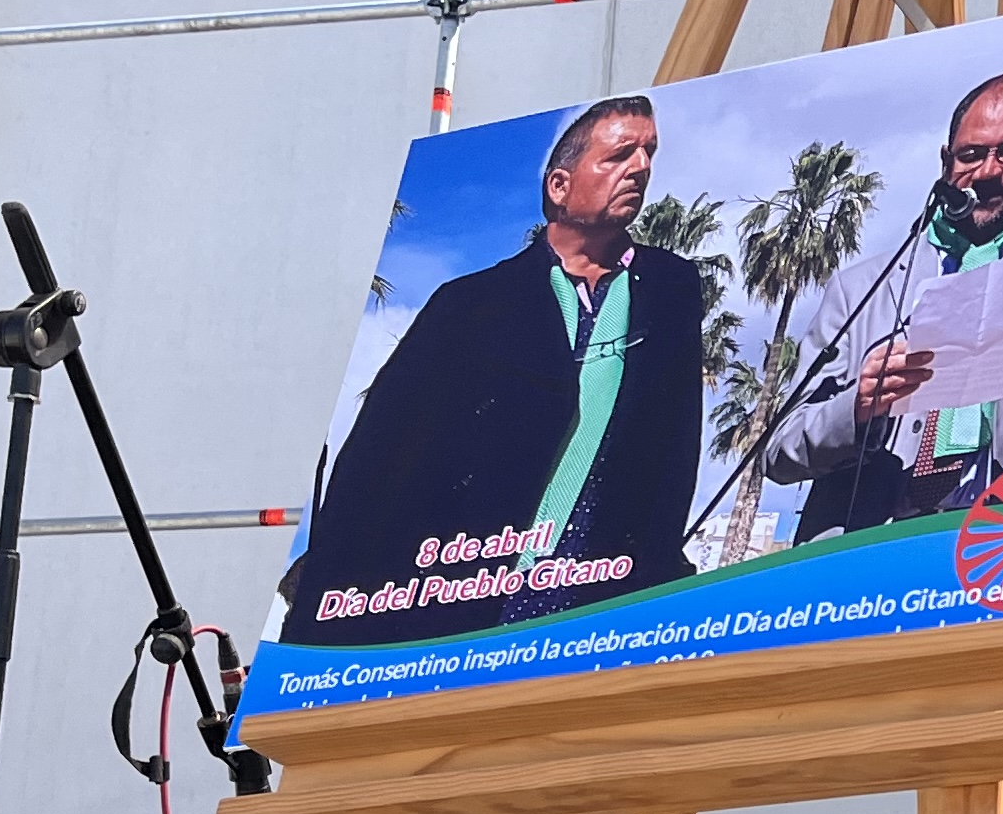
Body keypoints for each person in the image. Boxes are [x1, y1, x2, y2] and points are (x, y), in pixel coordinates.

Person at [282, 94, 706, 633]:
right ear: (559, 185)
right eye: (619, 155)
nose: (641, 168)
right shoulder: (471, 303)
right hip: (463, 602)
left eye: (648, 153)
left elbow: (674, 457)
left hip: (603, 606)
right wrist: (324, 606)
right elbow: (380, 459)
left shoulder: (669, 291)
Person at [762, 67, 1003, 539]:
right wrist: (857, 408)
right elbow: (779, 450)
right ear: (946, 160)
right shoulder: (861, 285)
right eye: (970, 155)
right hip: (864, 545)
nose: (988, 170)